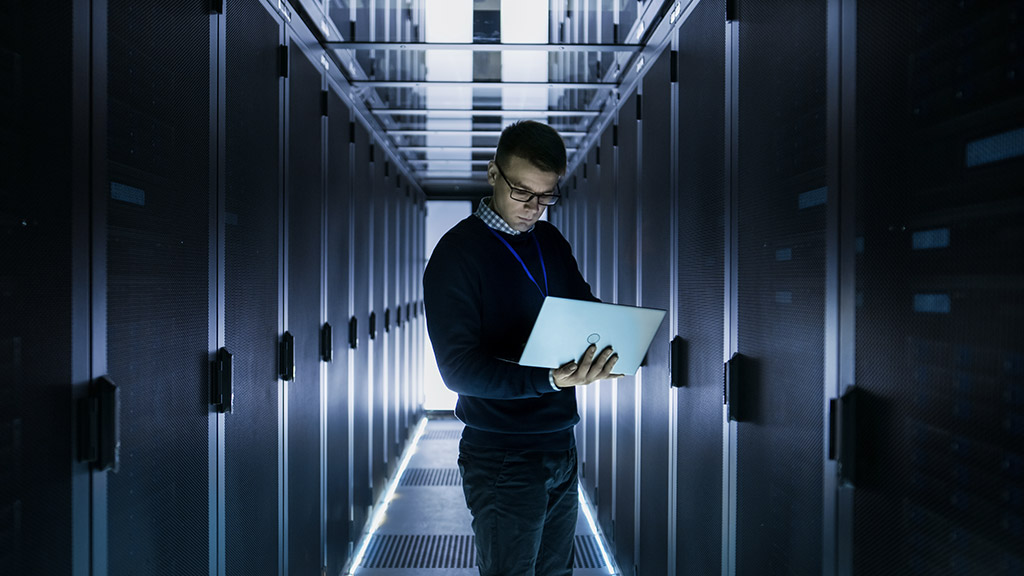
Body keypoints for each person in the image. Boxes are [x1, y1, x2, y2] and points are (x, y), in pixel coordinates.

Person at [423, 120, 620, 576]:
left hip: (560, 443)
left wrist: (615, 342)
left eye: (547, 196)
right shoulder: (457, 254)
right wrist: (549, 378)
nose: (534, 208)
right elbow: (458, 370)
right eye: (523, 193)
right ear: (493, 173)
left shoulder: (549, 241)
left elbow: (581, 309)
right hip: (502, 457)